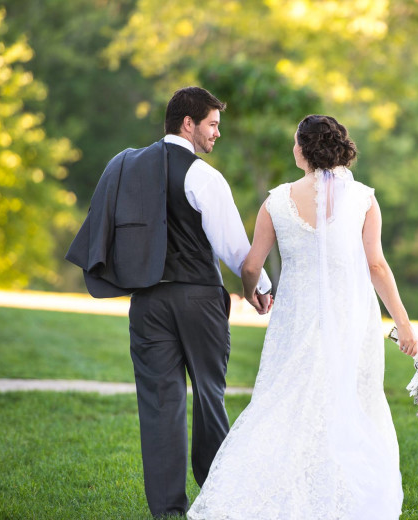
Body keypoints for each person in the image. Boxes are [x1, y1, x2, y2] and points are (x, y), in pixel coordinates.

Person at [187, 115, 418, 519]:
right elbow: (377, 266)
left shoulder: (276, 201)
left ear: (303, 149)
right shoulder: (363, 198)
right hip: (349, 318)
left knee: (285, 398)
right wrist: (403, 322)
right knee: (348, 399)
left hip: (295, 319)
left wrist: (253, 296)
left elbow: (250, 265)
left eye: (295, 142)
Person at [67, 86, 273, 518]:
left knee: (161, 403)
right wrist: (262, 287)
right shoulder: (203, 176)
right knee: (210, 398)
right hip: (198, 299)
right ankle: (220, 500)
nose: (217, 134)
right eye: (213, 125)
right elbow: (235, 247)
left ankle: (168, 511)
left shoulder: (127, 167)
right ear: (188, 124)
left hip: (147, 304)